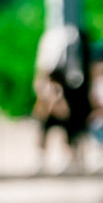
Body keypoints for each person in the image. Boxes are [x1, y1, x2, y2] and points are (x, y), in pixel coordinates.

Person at [32, 24, 91, 169]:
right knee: (46, 128)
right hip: (51, 107)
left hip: (58, 106)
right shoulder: (47, 81)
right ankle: (43, 157)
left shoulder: (62, 84)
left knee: (69, 128)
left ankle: (69, 156)